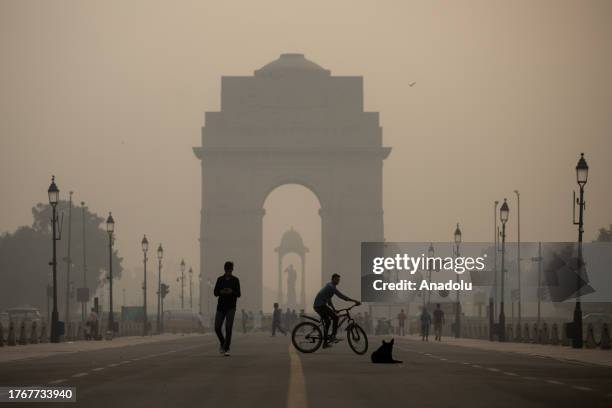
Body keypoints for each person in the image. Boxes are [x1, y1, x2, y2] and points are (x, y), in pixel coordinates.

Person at [313, 273, 360, 348]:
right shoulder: (331, 287)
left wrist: (334, 309)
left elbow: (329, 300)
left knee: (328, 321)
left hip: (320, 305)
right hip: (320, 306)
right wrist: (354, 301)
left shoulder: (330, 286)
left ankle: (325, 343)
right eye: (336, 279)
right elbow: (342, 296)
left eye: (338, 280)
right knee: (335, 318)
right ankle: (333, 336)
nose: (338, 281)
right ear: (332, 279)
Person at [214, 261, 241, 356]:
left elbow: (238, 294)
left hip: (231, 307)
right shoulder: (220, 279)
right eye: (227, 270)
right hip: (221, 307)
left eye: (229, 270)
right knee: (217, 327)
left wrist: (231, 291)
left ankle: (227, 348)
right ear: (225, 269)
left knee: (228, 328)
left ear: (232, 270)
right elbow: (215, 292)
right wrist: (222, 291)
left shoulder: (235, 280)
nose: (229, 271)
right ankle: (223, 342)